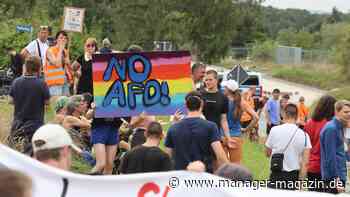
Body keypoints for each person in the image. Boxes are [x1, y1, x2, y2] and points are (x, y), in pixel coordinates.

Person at [165, 91, 228, 173]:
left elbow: (167, 156)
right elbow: (220, 156)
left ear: (186, 105)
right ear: (201, 105)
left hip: (180, 177)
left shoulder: (173, 128)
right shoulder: (211, 127)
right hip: (203, 177)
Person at [9, 56, 50, 154]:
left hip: (18, 123)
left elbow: (11, 101)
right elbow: (47, 102)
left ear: (25, 67)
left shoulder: (16, 82)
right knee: (32, 154)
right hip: (35, 125)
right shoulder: (41, 84)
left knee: (16, 152)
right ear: (39, 68)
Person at [265, 103, 311, 190]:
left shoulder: (274, 130)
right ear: (297, 115)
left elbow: (267, 153)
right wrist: (300, 184)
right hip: (293, 177)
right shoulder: (305, 136)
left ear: (283, 114)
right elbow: (305, 164)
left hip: (276, 174)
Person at [304, 95, 337, 192]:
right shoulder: (331, 125)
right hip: (326, 166)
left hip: (311, 166)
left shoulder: (309, 123)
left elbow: (306, 146)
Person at [221, 80, 259, 164]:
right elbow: (256, 117)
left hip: (222, 136)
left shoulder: (222, 101)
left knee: (222, 166)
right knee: (236, 165)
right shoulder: (241, 102)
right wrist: (246, 129)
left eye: (225, 87)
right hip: (236, 136)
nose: (224, 89)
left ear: (228, 89)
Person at [320, 100, 350, 194]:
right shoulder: (331, 129)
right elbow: (330, 158)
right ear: (336, 112)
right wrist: (336, 181)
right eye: (345, 112)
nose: (349, 114)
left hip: (339, 175)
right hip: (333, 178)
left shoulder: (338, 126)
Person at [44, 30, 71, 97]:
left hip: (64, 82)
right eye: (61, 38)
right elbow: (57, 64)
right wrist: (61, 49)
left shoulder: (65, 52)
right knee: (55, 105)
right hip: (54, 83)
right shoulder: (50, 50)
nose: (63, 40)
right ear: (56, 40)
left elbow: (67, 66)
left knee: (65, 105)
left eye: (65, 38)